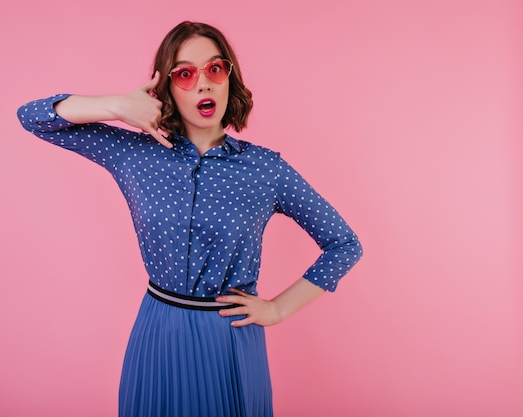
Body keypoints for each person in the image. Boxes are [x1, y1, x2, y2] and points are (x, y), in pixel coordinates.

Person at [18, 21, 362, 417]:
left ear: (229, 78)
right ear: (165, 88)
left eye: (215, 69)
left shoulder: (265, 169)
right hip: (157, 334)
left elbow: (344, 244)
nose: (204, 84)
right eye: (185, 74)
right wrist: (116, 105)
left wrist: (279, 309)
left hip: (230, 343)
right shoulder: (135, 153)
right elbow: (32, 116)